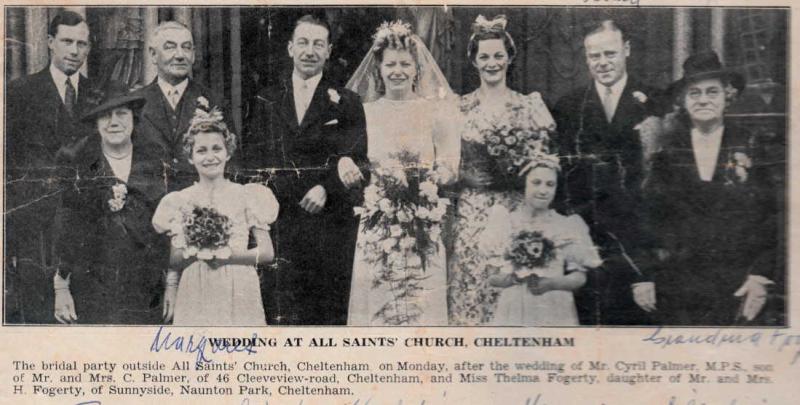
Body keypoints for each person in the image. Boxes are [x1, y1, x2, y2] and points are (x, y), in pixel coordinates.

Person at [243, 15, 368, 325]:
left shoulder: (347, 102)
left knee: (326, 316)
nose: (309, 51)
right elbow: (254, 157)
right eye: (303, 42)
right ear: (290, 48)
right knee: (279, 314)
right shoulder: (266, 99)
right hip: (280, 224)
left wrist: (327, 187)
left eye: (318, 44)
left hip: (328, 225)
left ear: (328, 51)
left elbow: (358, 158)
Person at [644, 51, 779, 325]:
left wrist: (760, 277)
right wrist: (646, 275)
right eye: (694, 93)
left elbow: (771, 216)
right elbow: (650, 218)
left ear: (727, 96)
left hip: (738, 283)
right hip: (679, 284)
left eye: (712, 92)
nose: (703, 100)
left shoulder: (750, 144)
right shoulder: (668, 150)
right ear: (682, 100)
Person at [552, 19, 666, 325]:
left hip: (636, 246)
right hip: (585, 243)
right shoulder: (568, 106)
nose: (602, 63)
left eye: (610, 54)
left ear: (626, 49)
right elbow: (562, 182)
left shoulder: (655, 101)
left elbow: (661, 188)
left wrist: (645, 265)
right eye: (594, 56)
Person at [344, 21, 459, 326]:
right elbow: (351, 156)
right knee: (380, 304)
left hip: (423, 221)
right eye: (390, 64)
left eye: (405, 64)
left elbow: (448, 164)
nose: (398, 71)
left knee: (420, 305)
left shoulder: (434, 111)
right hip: (378, 223)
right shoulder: (366, 112)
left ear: (416, 68)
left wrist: (432, 182)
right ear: (379, 69)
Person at [448, 15, 557, 326]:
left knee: (513, 286)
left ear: (510, 58)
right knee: (474, 285)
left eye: (498, 55)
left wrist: (518, 175)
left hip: (514, 210)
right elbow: (447, 162)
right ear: (474, 61)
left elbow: (544, 163)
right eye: (484, 56)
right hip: (473, 211)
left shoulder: (528, 106)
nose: (492, 63)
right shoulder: (459, 107)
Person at [6, 11, 98, 323]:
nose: (75, 51)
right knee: (39, 325)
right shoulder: (18, 94)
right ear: (49, 43)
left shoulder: (100, 96)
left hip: (85, 234)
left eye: (82, 44)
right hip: (36, 236)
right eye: (67, 42)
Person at [53, 81, 168, 324]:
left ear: (134, 117)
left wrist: (174, 283)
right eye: (104, 116)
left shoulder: (155, 160)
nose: (114, 122)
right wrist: (61, 287)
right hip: (92, 286)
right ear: (95, 123)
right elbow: (66, 226)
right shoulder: (78, 163)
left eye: (121, 113)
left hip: (148, 288)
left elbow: (169, 228)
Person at [152, 106, 278, 326]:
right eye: (201, 151)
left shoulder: (247, 194)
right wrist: (200, 248)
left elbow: (266, 253)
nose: (210, 157)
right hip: (196, 283)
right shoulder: (181, 200)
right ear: (190, 157)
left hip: (239, 284)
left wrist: (223, 256)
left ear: (228, 152)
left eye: (216, 149)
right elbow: (174, 258)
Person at [486, 147, 602, 326]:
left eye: (550, 184)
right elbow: (492, 278)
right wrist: (515, 278)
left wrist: (551, 283)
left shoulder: (567, 224)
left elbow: (579, 277)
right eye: (536, 182)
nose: (543, 190)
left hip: (554, 305)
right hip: (515, 306)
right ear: (524, 184)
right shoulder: (506, 221)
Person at [134, 21, 228, 193]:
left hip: (201, 208)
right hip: (147, 208)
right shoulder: (135, 103)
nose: (179, 55)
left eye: (186, 47)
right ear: (153, 55)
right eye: (170, 47)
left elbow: (230, 160)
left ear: (193, 55)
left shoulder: (214, 101)